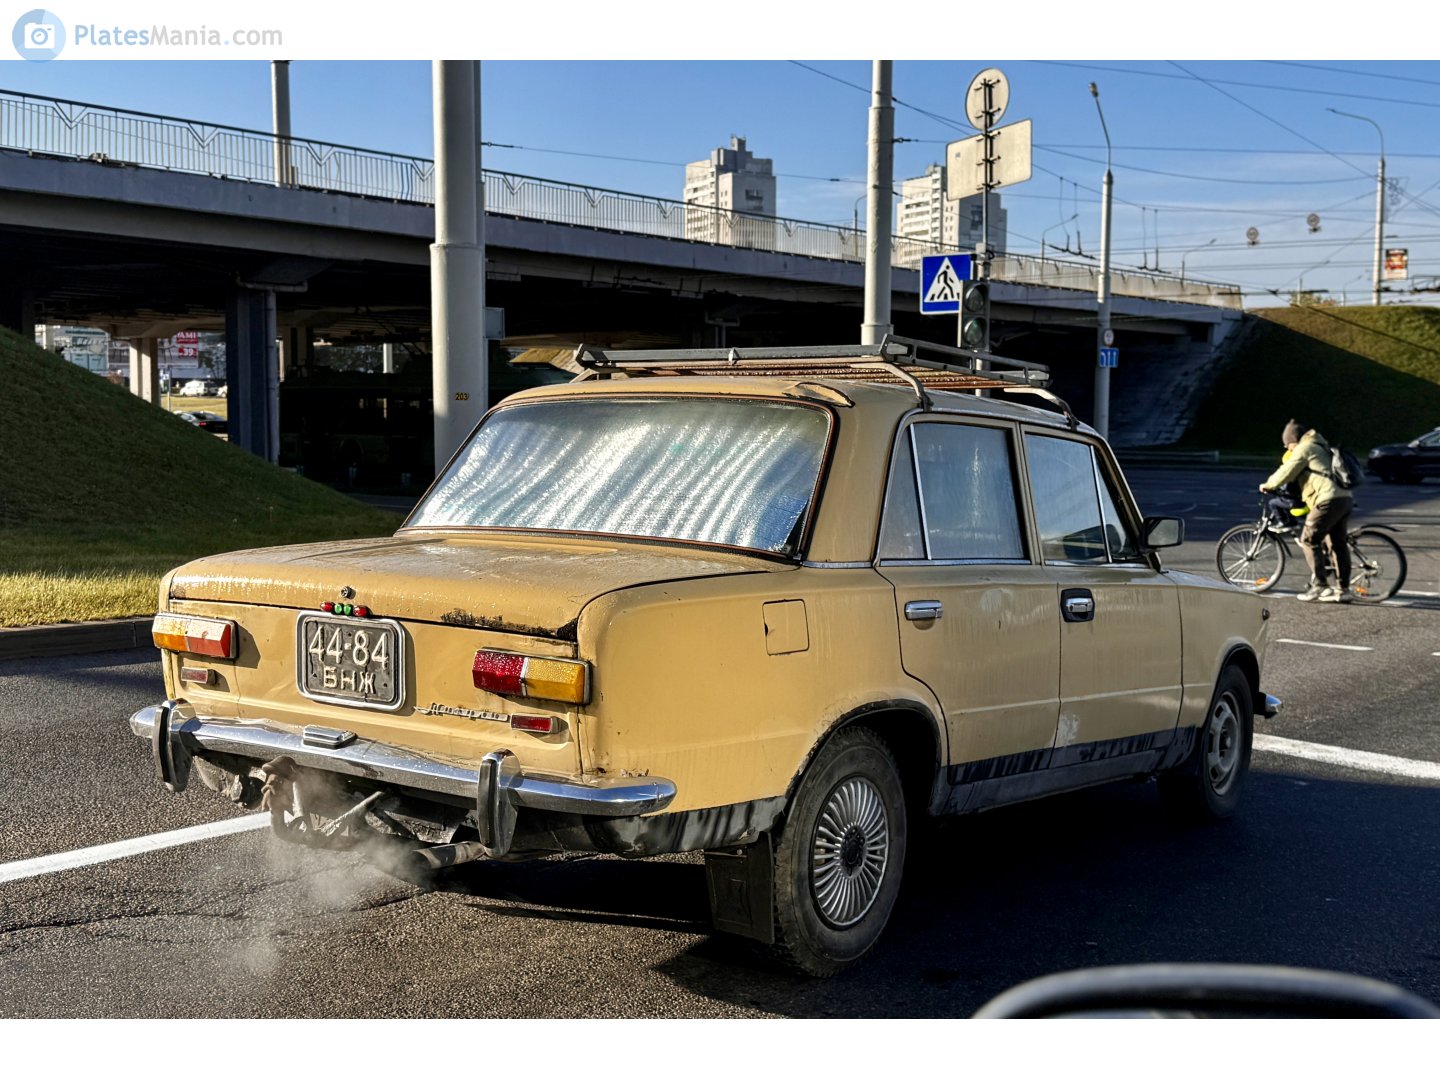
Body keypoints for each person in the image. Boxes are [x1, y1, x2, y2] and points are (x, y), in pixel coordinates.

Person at [1260, 419, 1353, 602]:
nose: (1288, 449)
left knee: (1309, 540)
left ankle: (1320, 586)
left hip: (1327, 499)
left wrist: (1268, 484)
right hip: (1344, 498)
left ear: (1294, 440)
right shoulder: (1320, 445)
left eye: (1288, 445)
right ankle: (1343, 590)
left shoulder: (1305, 448)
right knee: (1337, 544)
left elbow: (1287, 471)